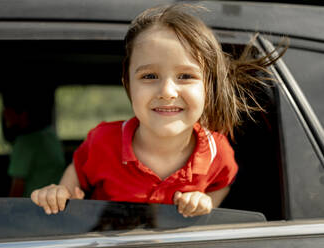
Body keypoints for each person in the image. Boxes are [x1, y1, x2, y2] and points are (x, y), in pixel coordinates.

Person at [31, 4, 286, 217]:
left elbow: (224, 182)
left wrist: (207, 202)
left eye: (185, 76)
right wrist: (61, 192)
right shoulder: (102, 141)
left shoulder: (217, 151)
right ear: (127, 85)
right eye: (150, 75)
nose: (167, 91)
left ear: (208, 88)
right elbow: (77, 172)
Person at [3, 89, 66, 197]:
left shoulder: (25, 142)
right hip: (55, 203)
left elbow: (16, 190)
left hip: (32, 208)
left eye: (7, 110)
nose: (4, 115)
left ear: (22, 114)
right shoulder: (50, 134)